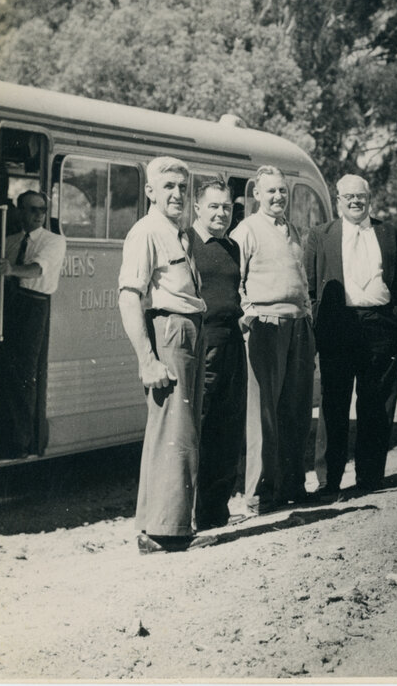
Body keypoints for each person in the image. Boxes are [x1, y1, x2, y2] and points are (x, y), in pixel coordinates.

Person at [117, 156, 214, 554]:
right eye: (168, 186)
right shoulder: (147, 232)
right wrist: (147, 359)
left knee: (182, 430)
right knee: (173, 431)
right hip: (169, 331)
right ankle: (163, 532)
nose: (177, 193)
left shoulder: (179, 232)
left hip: (189, 330)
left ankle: (166, 526)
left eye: (182, 187)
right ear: (150, 192)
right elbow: (128, 297)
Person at [307, 174, 397, 496]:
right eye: (348, 197)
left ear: (369, 198)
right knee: (334, 406)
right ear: (338, 200)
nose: (355, 201)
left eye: (361, 196)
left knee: (376, 405)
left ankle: (370, 479)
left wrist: (395, 317)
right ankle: (329, 482)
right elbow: (310, 286)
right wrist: (320, 325)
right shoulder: (320, 235)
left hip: (380, 326)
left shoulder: (389, 232)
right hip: (338, 327)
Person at [230, 166, 315, 515]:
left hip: (298, 325)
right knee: (262, 413)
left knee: (296, 411)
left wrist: (307, 313)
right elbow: (235, 278)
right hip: (266, 327)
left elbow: (302, 280)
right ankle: (259, 494)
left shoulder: (293, 231)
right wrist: (248, 313)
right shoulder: (246, 230)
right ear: (256, 194)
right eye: (271, 192)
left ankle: (292, 484)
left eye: (282, 191)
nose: (278, 197)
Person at [188, 179, 247, 530]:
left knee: (227, 431)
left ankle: (215, 513)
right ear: (198, 208)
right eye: (214, 206)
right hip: (203, 345)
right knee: (200, 429)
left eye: (226, 207)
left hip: (232, 344)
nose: (221, 213)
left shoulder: (232, 246)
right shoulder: (187, 242)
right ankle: (191, 516)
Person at [0, 190, 67, 460]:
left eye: (42, 210)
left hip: (34, 306)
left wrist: (11, 270)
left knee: (25, 375)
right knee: (5, 371)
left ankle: (22, 443)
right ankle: (5, 437)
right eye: (32, 209)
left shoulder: (54, 241)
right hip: (10, 305)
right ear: (20, 211)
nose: (38, 215)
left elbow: (38, 269)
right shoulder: (11, 241)